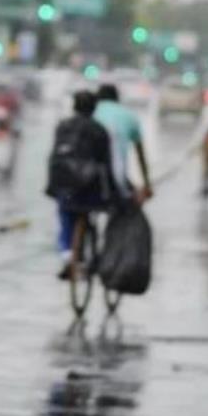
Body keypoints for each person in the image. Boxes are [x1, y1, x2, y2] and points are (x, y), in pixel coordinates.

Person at [45, 90, 116, 280]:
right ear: (94, 108)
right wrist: (112, 194)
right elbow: (107, 165)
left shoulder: (63, 127)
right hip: (90, 188)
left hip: (65, 186)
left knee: (65, 216)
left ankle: (67, 254)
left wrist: (51, 186)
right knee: (91, 214)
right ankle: (88, 256)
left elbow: (54, 158)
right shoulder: (99, 130)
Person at [93, 84, 153, 203]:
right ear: (117, 98)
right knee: (131, 206)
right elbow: (140, 155)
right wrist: (147, 184)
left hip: (83, 178)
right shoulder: (129, 116)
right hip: (116, 178)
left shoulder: (91, 113)